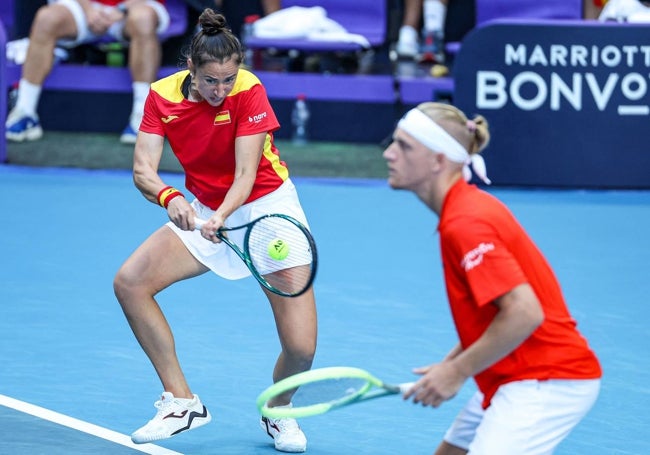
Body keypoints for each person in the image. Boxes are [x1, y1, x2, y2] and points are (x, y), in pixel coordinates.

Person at [112, 8, 317, 453]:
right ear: (191, 68)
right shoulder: (161, 96)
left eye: (228, 80)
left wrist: (221, 217)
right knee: (130, 283)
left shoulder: (249, 90)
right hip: (205, 208)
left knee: (301, 348)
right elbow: (143, 169)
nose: (221, 90)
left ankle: (278, 410)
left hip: (267, 211)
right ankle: (181, 402)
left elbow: (246, 175)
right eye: (211, 82)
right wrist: (172, 198)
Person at [383, 102, 602, 454]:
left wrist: (456, 373)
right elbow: (494, 312)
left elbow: (525, 312)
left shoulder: (465, 222)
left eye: (405, 146)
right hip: (510, 372)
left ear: (438, 160)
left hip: (548, 380)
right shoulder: (465, 208)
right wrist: (451, 363)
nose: (389, 154)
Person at [5, 0, 171, 144]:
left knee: (143, 19)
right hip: (87, 7)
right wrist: (88, 10)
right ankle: (25, 112)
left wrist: (119, 10)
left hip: (135, 6)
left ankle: (143, 116)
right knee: (46, 18)